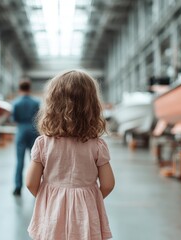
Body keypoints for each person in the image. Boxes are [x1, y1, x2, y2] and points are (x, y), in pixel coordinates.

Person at [25, 70, 115, 239]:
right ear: (92, 106)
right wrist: (90, 199)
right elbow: (108, 184)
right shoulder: (97, 145)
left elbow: (31, 183)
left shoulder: (43, 143)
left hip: (52, 211)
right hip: (86, 214)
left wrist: (50, 199)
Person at [12, 80, 40, 196]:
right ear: (29, 89)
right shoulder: (36, 102)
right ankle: (37, 185)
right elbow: (39, 117)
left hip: (21, 130)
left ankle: (18, 187)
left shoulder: (16, 103)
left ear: (19, 89)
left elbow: (14, 119)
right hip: (33, 130)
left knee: (19, 161)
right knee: (35, 161)